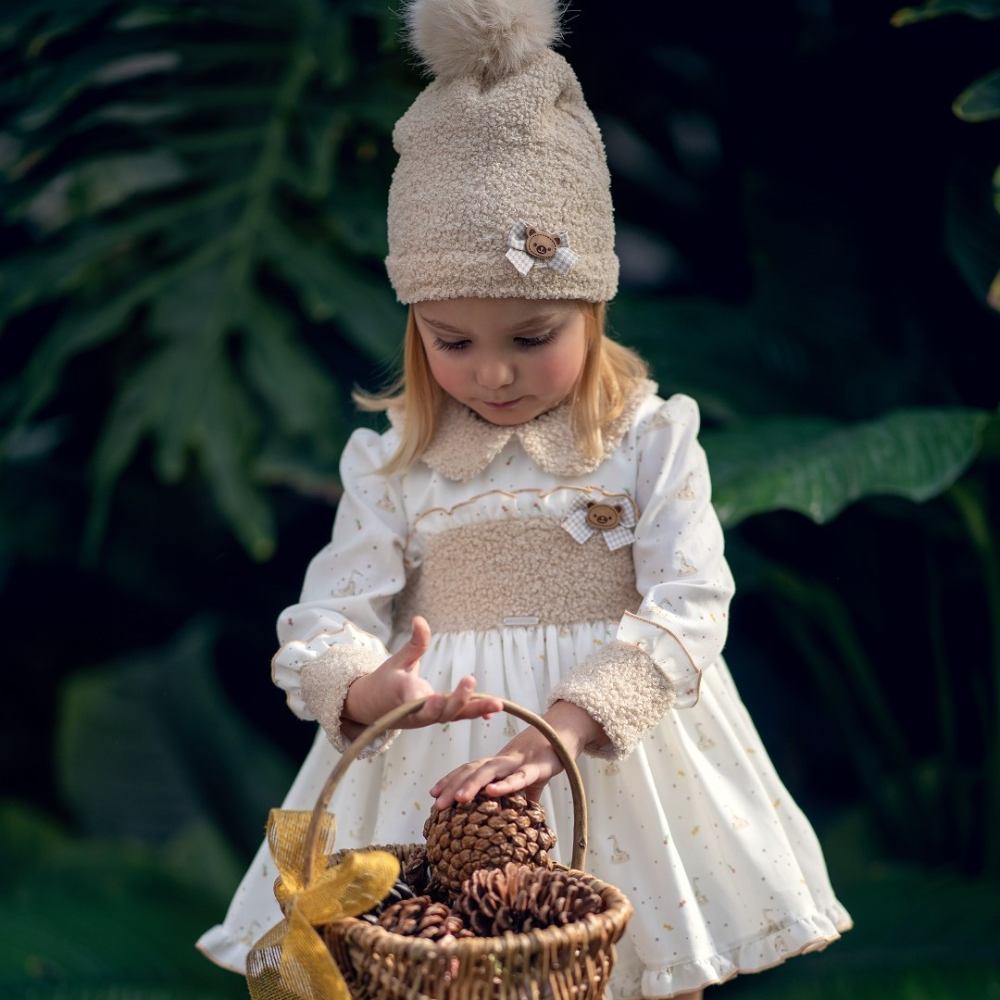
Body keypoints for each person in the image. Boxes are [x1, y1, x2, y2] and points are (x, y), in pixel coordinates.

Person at [195, 1, 854, 996]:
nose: (493, 374)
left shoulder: (644, 440)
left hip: (613, 757)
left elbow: (690, 602)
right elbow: (330, 614)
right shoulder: (394, 466)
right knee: (447, 962)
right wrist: (369, 688)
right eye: (452, 342)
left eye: (531, 334)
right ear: (416, 326)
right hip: (446, 775)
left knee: (632, 961)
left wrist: (572, 724)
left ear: (591, 304)